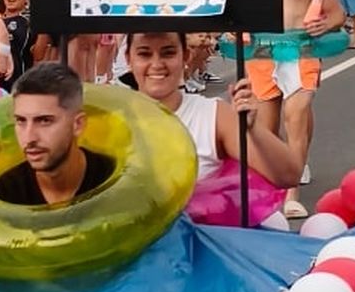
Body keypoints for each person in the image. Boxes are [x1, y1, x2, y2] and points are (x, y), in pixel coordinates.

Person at [250, 0, 345, 219]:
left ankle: (291, 193)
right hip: (262, 52)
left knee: (297, 114)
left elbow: (336, 14)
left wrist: (325, 23)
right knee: (265, 126)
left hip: (301, 50)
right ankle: (271, 186)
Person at [125, 29, 300, 187]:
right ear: (128, 59)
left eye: (168, 53)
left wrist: (254, 130)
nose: (157, 64)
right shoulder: (112, 118)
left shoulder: (213, 115)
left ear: (186, 56)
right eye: (144, 54)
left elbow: (288, 177)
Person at [0, 62, 114, 205]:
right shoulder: (6, 191)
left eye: (44, 121)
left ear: (78, 124)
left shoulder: (113, 180)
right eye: (21, 121)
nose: (29, 138)